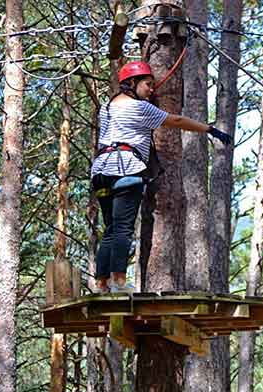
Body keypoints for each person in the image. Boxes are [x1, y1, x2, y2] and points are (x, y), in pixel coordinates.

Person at [91, 61, 231, 293]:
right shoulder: (140, 108)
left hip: (101, 173)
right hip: (126, 169)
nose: (151, 89)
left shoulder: (106, 107)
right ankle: (118, 283)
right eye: (147, 84)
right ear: (132, 83)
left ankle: (102, 283)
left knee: (111, 229)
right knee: (123, 229)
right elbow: (175, 120)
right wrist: (209, 129)